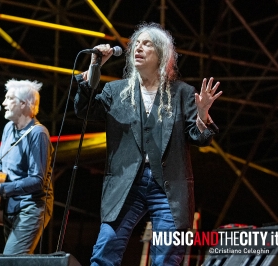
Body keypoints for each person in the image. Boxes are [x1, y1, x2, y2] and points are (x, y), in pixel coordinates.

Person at [74, 22, 222, 265]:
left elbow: (199, 138)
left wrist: (202, 115)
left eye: (147, 44)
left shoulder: (182, 93)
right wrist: (94, 66)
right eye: (136, 44)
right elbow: (84, 109)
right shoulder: (116, 91)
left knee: (166, 257)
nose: (138, 48)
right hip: (126, 184)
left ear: (162, 55)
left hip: (168, 186)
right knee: (105, 249)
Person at [0, 79, 53, 255]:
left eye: (9, 98)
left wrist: (0, 188)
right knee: (18, 260)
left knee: (11, 259)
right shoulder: (9, 128)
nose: (3, 103)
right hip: (9, 206)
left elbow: (37, 181)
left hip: (31, 207)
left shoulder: (38, 134)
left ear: (23, 104)